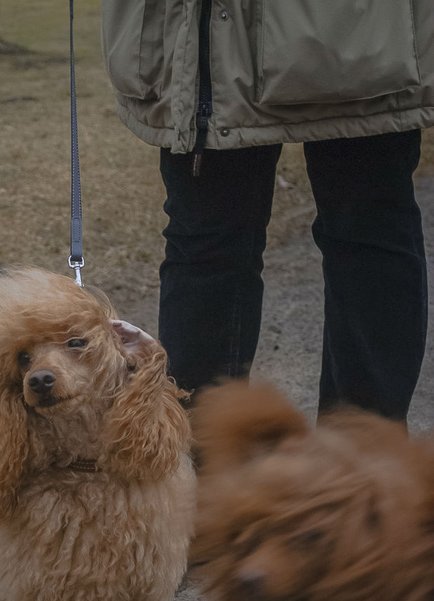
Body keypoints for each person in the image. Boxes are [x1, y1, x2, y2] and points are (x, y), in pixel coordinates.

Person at [100, 1, 433, 421]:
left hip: (356, 32)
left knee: (367, 231)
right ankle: (201, 464)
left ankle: (362, 463)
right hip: (196, 35)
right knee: (208, 247)